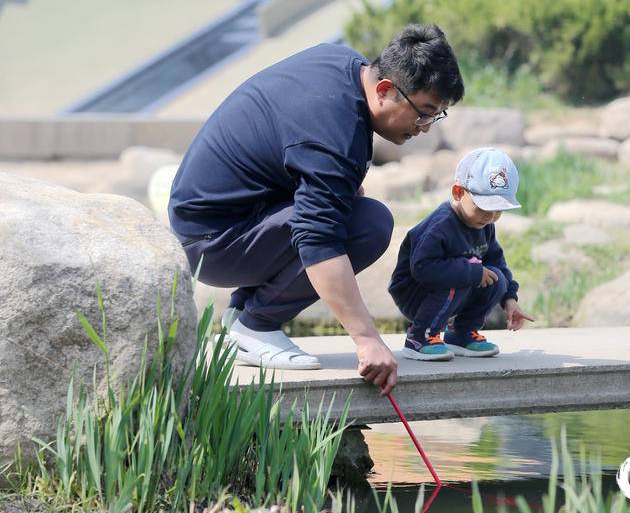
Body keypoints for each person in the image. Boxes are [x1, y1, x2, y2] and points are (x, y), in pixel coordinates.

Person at [168, 24, 464, 395]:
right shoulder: (333, 132)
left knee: (346, 206)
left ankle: (242, 315)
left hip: (225, 217)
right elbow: (318, 239)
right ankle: (256, 325)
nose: (424, 128)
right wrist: (367, 339)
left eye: (435, 116)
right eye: (423, 113)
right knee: (369, 225)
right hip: (211, 243)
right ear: (385, 90)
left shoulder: (343, 64)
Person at [388, 147, 535, 361]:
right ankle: (419, 337)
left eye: (498, 210)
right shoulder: (440, 226)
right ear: (458, 192)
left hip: (454, 289)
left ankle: (461, 333)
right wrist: (472, 272)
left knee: (497, 277)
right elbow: (422, 267)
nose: (491, 217)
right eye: (484, 208)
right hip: (416, 292)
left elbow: (496, 261)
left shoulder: (484, 224)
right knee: (462, 275)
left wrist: (509, 299)